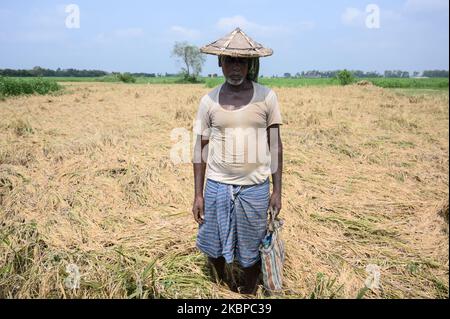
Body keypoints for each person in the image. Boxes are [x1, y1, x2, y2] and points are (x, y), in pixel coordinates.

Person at [192, 28, 283, 295]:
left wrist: (277, 190)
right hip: (217, 186)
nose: (235, 67)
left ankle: (248, 292)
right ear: (220, 62)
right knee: (214, 246)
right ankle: (221, 285)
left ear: (250, 64)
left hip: (254, 188)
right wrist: (198, 194)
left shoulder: (266, 97)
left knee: (252, 250)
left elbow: (276, 145)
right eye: (229, 61)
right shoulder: (208, 101)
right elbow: (199, 149)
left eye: (241, 61)